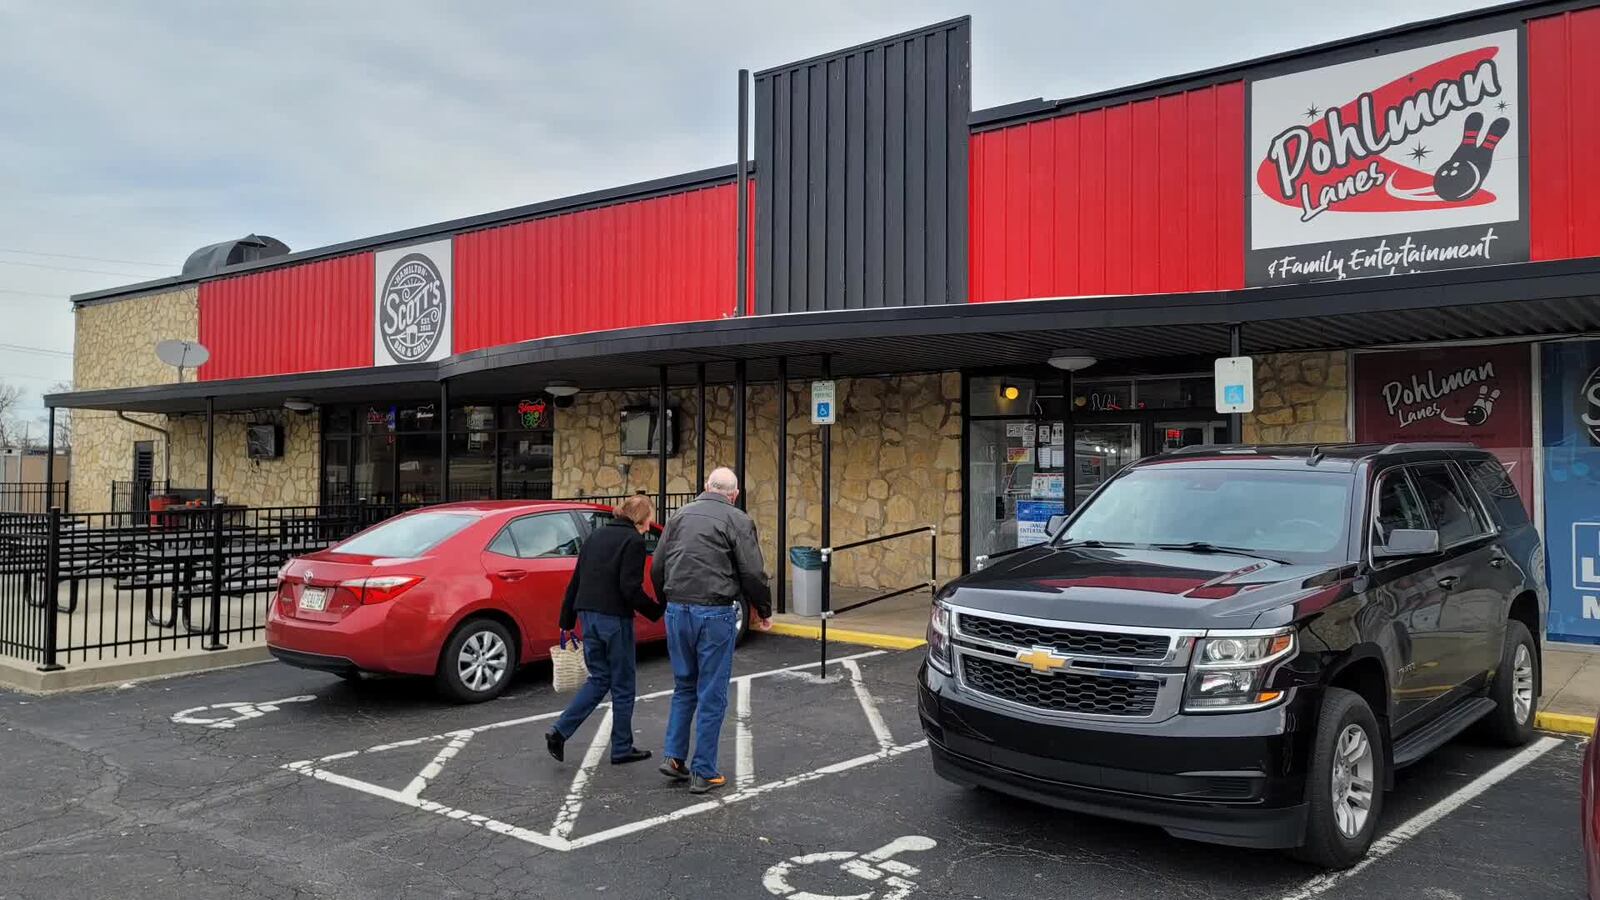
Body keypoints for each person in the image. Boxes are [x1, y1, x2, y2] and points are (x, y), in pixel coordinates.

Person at [650, 467, 773, 794]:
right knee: (712, 691)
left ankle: (674, 758)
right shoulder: (738, 519)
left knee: (684, 685)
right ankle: (704, 770)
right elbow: (753, 571)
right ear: (734, 494)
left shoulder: (678, 516)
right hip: (714, 611)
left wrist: (667, 600)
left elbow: (658, 565)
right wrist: (763, 610)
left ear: (706, 487)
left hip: (678, 608)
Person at [545, 494, 665, 766]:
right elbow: (629, 588)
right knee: (623, 685)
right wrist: (657, 610)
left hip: (588, 616)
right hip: (614, 619)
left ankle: (560, 731)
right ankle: (622, 747)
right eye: (649, 517)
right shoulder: (633, 541)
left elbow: (576, 580)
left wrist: (566, 620)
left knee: (599, 679)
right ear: (641, 518)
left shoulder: (595, 537)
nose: (651, 523)